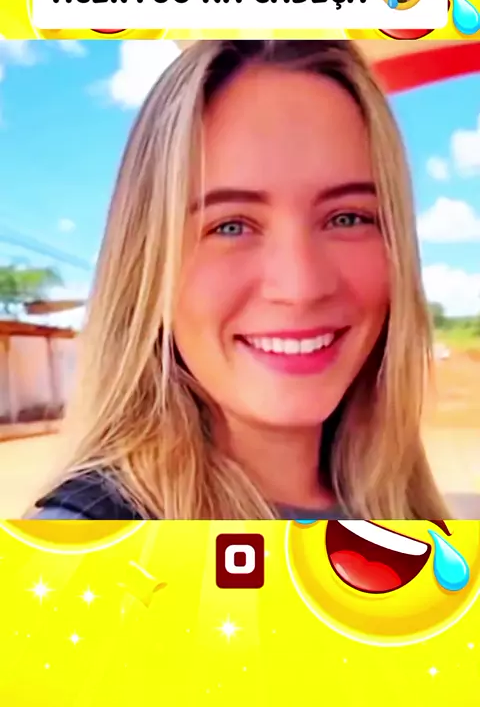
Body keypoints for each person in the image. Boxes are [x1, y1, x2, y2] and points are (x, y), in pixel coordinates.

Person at [31, 39, 449, 520]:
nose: (301, 287)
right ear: (147, 267)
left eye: (347, 218)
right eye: (230, 226)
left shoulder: (409, 518)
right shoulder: (87, 547)